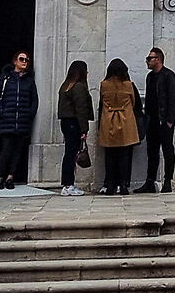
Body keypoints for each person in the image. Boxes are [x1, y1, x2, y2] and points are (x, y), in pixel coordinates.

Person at [0, 50, 38, 189]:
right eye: (21, 59)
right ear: (15, 61)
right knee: (6, 149)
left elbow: (34, 99)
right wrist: (0, 111)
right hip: (7, 119)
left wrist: (30, 114)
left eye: (27, 60)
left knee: (17, 151)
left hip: (22, 120)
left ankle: (11, 177)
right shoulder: (5, 78)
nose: (24, 62)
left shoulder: (29, 80)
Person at [136, 47, 175, 194]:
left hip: (164, 119)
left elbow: (172, 98)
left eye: (150, 58)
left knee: (167, 150)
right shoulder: (150, 77)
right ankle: (150, 181)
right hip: (152, 119)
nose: (147, 61)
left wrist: (169, 120)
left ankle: (168, 181)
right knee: (152, 151)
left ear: (158, 59)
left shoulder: (168, 75)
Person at [96, 58, 141, 196]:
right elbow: (134, 103)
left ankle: (109, 185)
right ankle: (123, 184)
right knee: (124, 155)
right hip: (126, 121)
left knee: (109, 155)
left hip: (108, 121)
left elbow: (101, 104)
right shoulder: (129, 85)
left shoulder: (104, 85)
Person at [56, 60, 94, 197]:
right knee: (71, 154)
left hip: (66, 122)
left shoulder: (66, 86)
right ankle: (68, 185)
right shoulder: (78, 87)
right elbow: (81, 109)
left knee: (69, 153)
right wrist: (84, 129)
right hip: (74, 122)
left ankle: (67, 183)